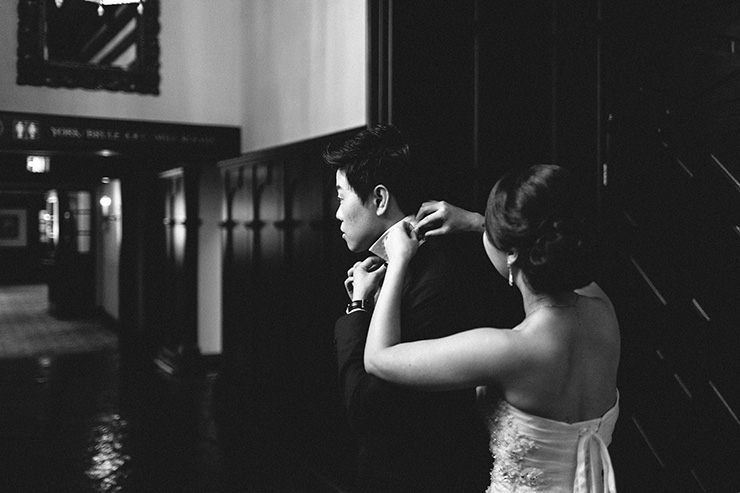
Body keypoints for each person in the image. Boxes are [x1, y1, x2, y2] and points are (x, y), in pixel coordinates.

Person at [362, 164, 620, 492]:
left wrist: (398, 260)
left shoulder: (507, 350)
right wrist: (478, 222)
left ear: (512, 253)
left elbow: (378, 358)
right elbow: (543, 249)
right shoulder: (603, 311)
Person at [326, 124, 523, 492]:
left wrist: (356, 309)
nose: (337, 213)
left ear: (380, 199)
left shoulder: (436, 278)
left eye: (341, 197)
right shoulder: (398, 269)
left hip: (418, 476)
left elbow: (365, 407)